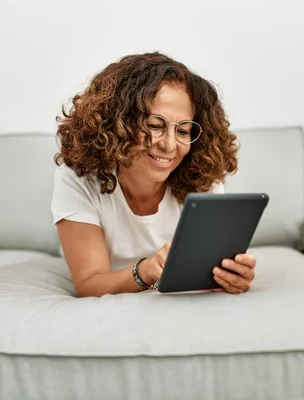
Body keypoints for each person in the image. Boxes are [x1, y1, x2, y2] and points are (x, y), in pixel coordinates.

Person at [51, 52, 257, 297]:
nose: (169, 146)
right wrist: (145, 271)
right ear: (117, 124)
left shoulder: (203, 176)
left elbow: (208, 273)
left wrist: (230, 277)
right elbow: (90, 284)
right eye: (155, 126)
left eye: (183, 131)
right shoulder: (77, 178)